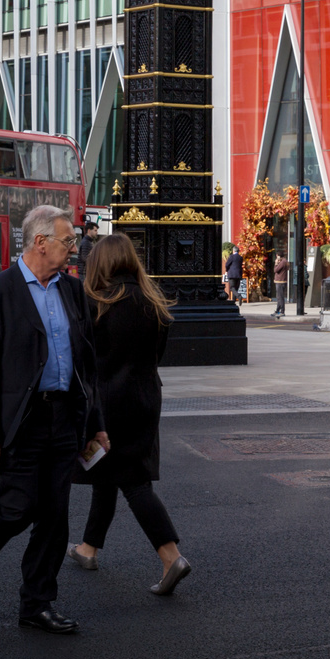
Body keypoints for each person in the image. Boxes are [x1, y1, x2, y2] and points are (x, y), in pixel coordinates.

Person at [0, 205, 108, 634]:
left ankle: (37, 603)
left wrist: (95, 423)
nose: (74, 248)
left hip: (65, 418)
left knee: (55, 515)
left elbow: (86, 363)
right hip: (21, 420)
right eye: (67, 241)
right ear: (40, 242)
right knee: (18, 506)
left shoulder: (71, 290)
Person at [69, 234, 191, 595]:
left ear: (100, 263)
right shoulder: (153, 301)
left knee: (133, 480)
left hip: (106, 402)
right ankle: (88, 548)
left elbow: (84, 360)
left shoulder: (95, 303)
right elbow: (157, 355)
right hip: (145, 397)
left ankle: (171, 556)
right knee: (109, 471)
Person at [271, 251, 290, 317]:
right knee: (279, 297)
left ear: (278, 255)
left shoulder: (282, 262)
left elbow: (275, 270)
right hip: (281, 281)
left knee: (280, 297)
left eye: (277, 256)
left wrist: (276, 264)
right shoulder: (285, 261)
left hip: (280, 281)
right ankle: (278, 310)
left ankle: (282, 311)